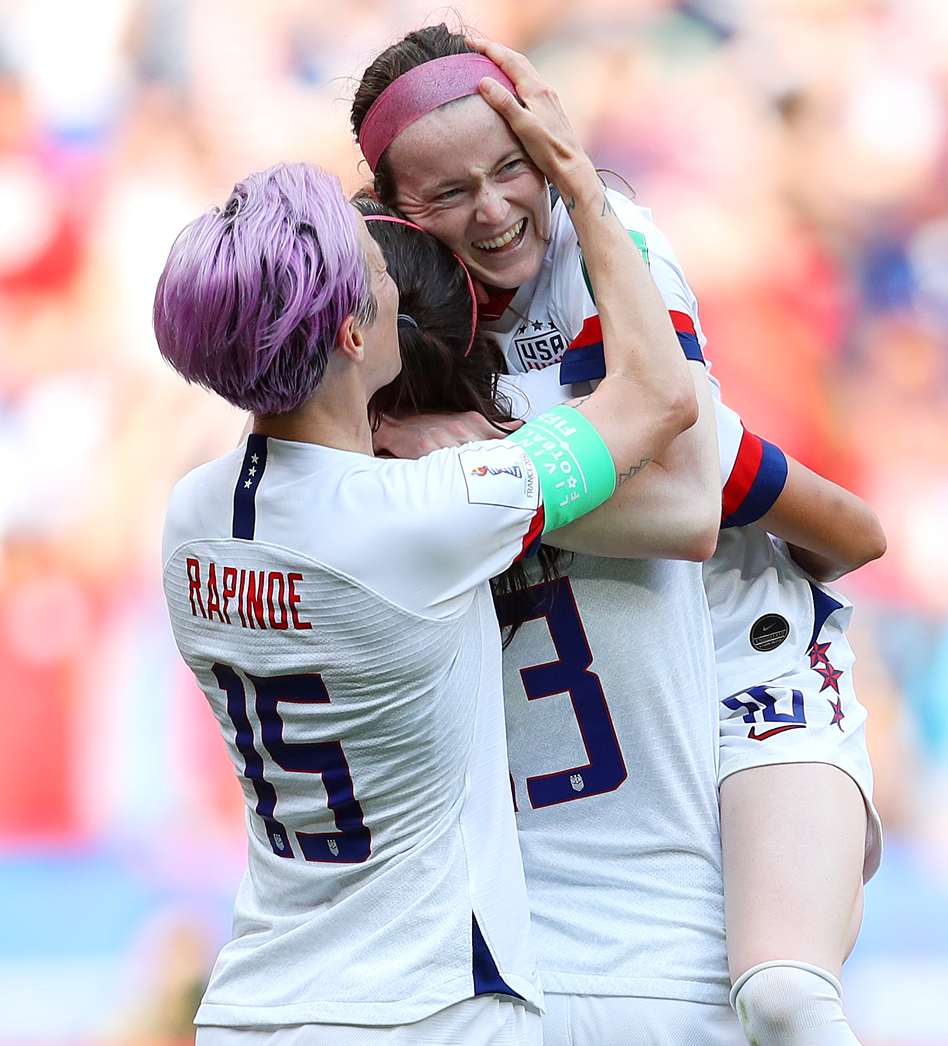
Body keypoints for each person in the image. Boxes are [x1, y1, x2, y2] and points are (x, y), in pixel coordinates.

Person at [353, 29, 881, 1046]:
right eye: (449, 192)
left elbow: (692, 508)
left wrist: (477, 465)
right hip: (604, 723)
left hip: (745, 664)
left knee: (783, 998)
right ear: (391, 214)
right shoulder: (396, 324)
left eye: (516, 165)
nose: (498, 207)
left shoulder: (610, 241)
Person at [153, 150, 695, 1043]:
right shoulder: (426, 512)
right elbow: (663, 399)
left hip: (255, 999)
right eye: (377, 269)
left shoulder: (191, 516)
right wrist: (586, 193)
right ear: (354, 335)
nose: (399, 276)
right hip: (428, 1002)